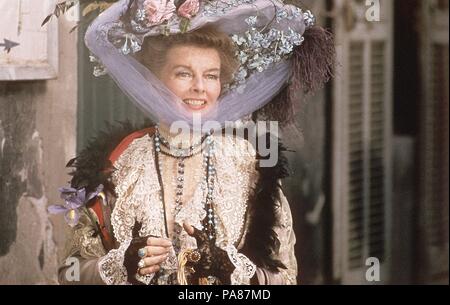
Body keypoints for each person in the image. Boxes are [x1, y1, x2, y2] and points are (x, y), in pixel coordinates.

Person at [51, 0, 335, 285]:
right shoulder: (117, 161)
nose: (200, 87)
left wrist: (234, 274)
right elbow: (69, 274)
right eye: (184, 73)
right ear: (154, 82)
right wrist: (120, 266)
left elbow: (285, 277)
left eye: (210, 76)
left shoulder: (249, 163)